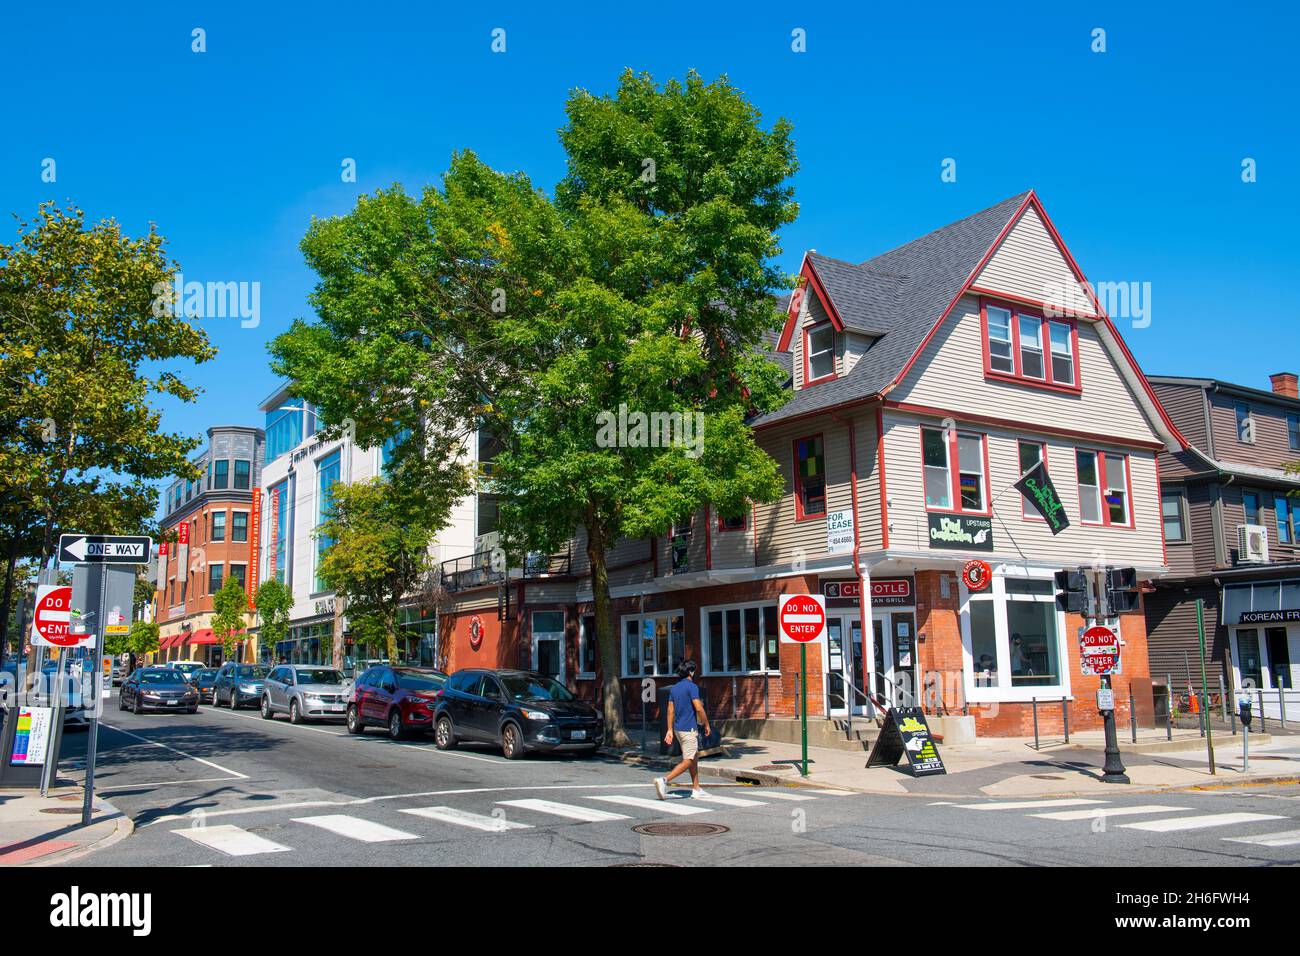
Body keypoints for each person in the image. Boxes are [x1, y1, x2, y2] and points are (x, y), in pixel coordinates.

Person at [654, 660, 712, 799]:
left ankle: (696, 788)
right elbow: (698, 707)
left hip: (678, 729)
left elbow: (670, 711)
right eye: (694, 671)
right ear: (691, 672)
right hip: (689, 729)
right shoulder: (692, 687)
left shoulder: (674, 688)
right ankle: (664, 780)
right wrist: (707, 724)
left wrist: (669, 730)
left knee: (694, 757)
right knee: (689, 760)